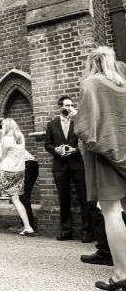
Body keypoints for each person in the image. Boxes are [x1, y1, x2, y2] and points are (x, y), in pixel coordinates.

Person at [74, 46, 126, 291]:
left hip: (105, 155)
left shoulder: (91, 83)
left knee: (112, 211)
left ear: (91, 62)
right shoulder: (123, 84)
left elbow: (85, 128)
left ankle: (121, 274)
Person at [45, 95, 91, 242]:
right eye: (67, 105)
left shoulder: (78, 121)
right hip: (60, 165)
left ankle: (87, 232)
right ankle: (66, 231)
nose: (71, 108)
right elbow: (47, 144)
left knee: (84, 198)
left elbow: (85, 142)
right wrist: (56, 150)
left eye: (72, 105)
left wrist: (75, 150)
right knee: (64, 199)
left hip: (77, 163)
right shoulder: (52, 124)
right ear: (61, 107)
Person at [0, 118, 35, 236]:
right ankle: (28, 227)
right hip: (19, 171)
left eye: (2, 126)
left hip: (6, 170)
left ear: (6, 126)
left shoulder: (5, 140)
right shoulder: (21, 137)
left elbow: (1, 156)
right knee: (16, 199)